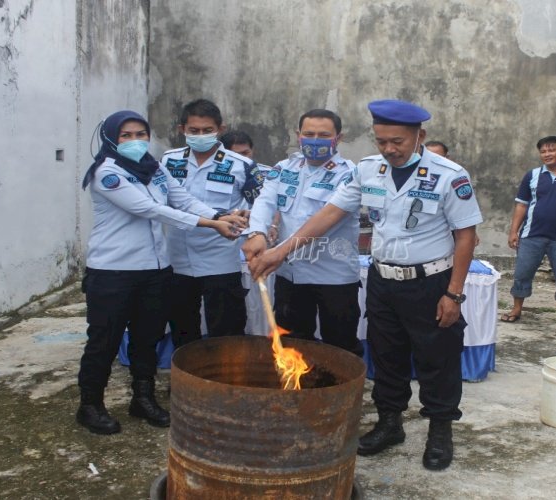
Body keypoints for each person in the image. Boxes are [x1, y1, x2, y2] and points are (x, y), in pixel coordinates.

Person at [248, 99, 482, 471]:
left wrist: (453, 293)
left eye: (398, 142)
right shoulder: (368, 171)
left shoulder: (449, 175)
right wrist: (282, 251)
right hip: (382, 280)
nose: (389, 149)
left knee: (436, 358)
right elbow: (328, 214)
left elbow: (467, 237)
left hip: (430, 282)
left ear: (419, 136)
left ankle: (440, 429)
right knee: (387, 355)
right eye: (381, 141)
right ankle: (390, 423)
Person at [78, 110, 246, 434]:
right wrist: (212, 224)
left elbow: (182, 198)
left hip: (155, 269)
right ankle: (90, 404)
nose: (135, 141)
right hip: (114, 271)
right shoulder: (107, 173)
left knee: (147, 337)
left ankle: (142, 398)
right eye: (126, 135)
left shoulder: (152, 168)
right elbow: (149, 209)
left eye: (141, 134)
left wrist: (220, 214)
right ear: (111, 138)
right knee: (105, 339)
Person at [242, 109, 363, 357]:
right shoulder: (285, 167)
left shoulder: (350, 174)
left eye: (323, 135)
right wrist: (257, 233)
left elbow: (325, 221)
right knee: (293, 344)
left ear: (338, 138)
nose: (315, 140)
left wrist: (277, 251)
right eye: (309, 134)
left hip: (333, 276)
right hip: (291, 274)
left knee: (340, 346)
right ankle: (298, 393)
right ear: (298, 135)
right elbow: (265, 201)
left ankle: (338, 394)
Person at [159, 99, 264, 347]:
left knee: (225, 330)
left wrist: (249, 220)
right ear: (181, 129)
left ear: (220, 129)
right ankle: (187, 381)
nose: (200, 135)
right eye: (194, 131)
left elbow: (261, 205)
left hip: (220, 259)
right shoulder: (168, 161)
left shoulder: (242, 165)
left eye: (207, 130)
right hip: (178, 259)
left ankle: (225, 381)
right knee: (183, 330)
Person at [501, 136, 556, 331]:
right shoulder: (532, 175)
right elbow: (521, 205)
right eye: (543, 151)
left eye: (551, 150)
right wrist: (513, 231)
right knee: (522, 274)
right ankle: (516, 309)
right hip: (531, 235)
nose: (547, 154)